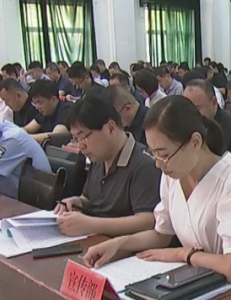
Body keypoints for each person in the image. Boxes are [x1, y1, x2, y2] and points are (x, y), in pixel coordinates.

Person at [82, 96, 231, 298]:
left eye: (164, 154)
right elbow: (161, 235)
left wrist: (182, 253)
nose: (158, 164)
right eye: (153, 154)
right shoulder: (172, 174)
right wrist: (118, 244)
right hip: (195, 285)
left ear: (195, 142)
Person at [52, 96, 160, 237]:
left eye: (84, 137)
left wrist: (90, 224)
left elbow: (147, 221)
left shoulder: (144, 164)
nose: (81, 146)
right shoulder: (98, 158)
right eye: (76, 139)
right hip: (93, 239)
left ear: (111, 128)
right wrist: (76, 203)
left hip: (122, 245)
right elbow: (89, 199)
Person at [183, 79, 231, 160]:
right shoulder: (185, 125)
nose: (190, 113)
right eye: (186, 109)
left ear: (214, 102)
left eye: (196, 108)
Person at [23, 79, 71, 144]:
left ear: (53, 99)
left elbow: (56, 136)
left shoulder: (67, 109)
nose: (37, 107)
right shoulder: (45, 112)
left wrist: (26, 138)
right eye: (35, 103)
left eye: (39, 102)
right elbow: (27, 129)